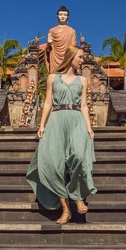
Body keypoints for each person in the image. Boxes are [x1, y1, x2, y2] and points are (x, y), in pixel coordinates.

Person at [26, 45, 97, 224]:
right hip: (56, 120)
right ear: (71, 57)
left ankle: (78, 195)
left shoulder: (82, 80)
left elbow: (83, 106)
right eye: (80, 57)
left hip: (76, 120)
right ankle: (66, 210)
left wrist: (89, 127)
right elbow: (48, 102)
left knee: (79, 157)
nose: (82, 60)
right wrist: (41, 125)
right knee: (53, 165)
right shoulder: (52, 78)